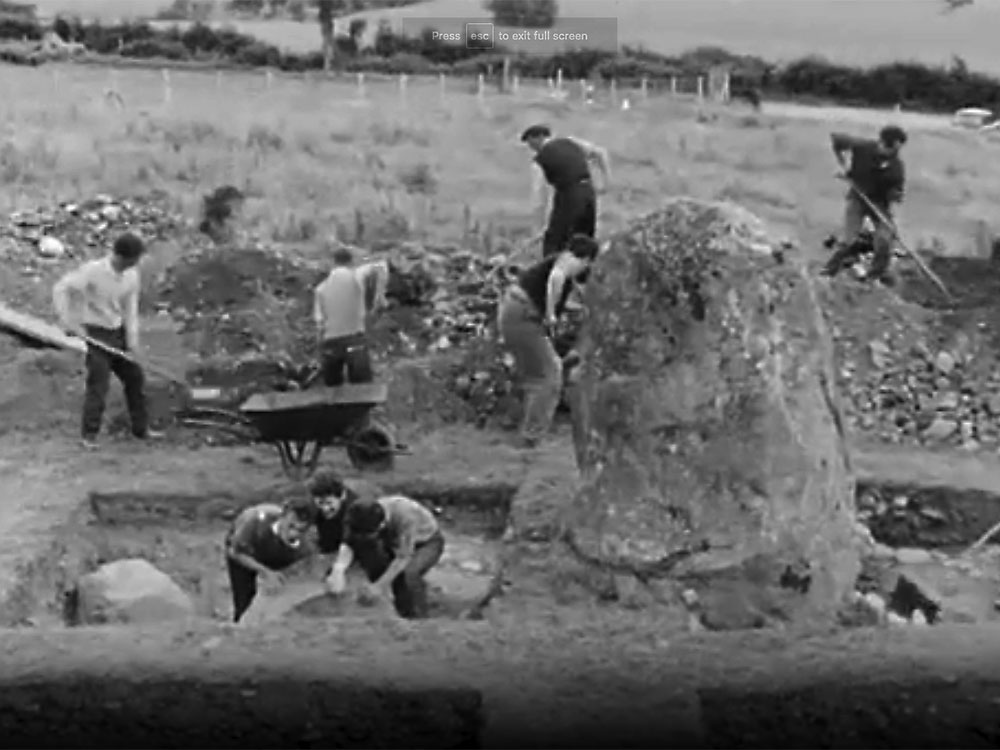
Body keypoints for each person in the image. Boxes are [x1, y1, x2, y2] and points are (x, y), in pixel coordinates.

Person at [52, 232, 161, 449]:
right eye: (135, 259)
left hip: (116, 331)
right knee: (99, 383)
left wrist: (132, 342)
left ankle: (141, 430)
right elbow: (61, 289)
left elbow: (131, 309)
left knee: (135, 378)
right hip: (95, 333)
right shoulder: (93, 271)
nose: (137, 263)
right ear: (123, 257)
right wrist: (68, 320)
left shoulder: (132, 275)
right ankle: (88, 436)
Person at [497, 234, 600, 448]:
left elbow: (551, 287)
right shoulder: (567, 263)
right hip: (523, 315)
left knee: (535, 375)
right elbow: (556, 278)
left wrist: (576, 309)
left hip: (515, 310)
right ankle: (531, 438)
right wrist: (551, 314)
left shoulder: (557, 260)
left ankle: (523, 430)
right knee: (550, 375)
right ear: (586, 259)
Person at [339, 495, 445, 620]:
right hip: (392, 539)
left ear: (381, 525)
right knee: (369, 552)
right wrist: (338, 571)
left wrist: (378, 586)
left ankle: (418, 617)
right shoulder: (362, 516)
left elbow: (403, 558)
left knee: (409, 573)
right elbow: (349, 543)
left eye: (369, 534)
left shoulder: (406, 517)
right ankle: (389, 605)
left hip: (427, 542)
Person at [829, 124, 907, 284]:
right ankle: (829, 273)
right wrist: (843, 165)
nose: (895, 152)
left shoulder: (896, 167)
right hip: (858, 197)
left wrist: (895, 195)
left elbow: (896, 192)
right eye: (893, 147)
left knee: (885, 240)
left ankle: (874, 276)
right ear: (884, 143)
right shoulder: (862, 147)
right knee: (849, 240)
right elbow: (836, 140)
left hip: (879, 204)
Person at [521, 124, 611, 259]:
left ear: (538, 138)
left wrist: (538, 230)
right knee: (584, 242)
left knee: (554, 244)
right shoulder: (572, 142)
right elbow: (600, 153)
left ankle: (550, 276)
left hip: (569, 197)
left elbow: (539, 198)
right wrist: (606, 182)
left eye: (531, 143)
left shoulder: (540, 160)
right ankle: (583, 276)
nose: (531, 148)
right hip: (588, 193)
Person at [224, 495, 316, 623]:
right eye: (290, 526)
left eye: (300, 530)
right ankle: (240, 625)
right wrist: (265, 572)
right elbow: (235, 553)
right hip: (245, 548)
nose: (292, 534)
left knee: (278, 590)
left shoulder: (306, 547)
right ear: (282, 518)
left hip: (277, 554)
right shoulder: (254, 523)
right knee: (244, 598)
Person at [313, 244, 388, 387]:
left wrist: (321, 350)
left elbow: (319, 324)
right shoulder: (356, 277)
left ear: (333, 263)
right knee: (362, 390)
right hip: (354, 339)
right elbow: (381, 265)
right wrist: (380, 296)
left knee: (332, 389)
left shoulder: (320, 289)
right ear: (351, 262)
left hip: (331, 343)